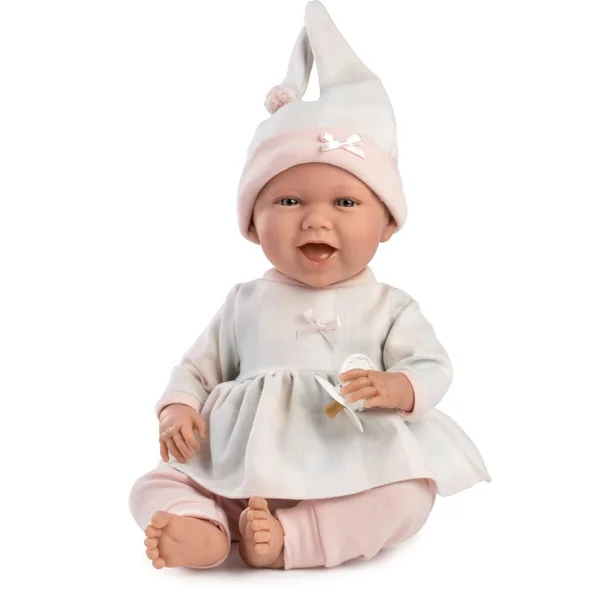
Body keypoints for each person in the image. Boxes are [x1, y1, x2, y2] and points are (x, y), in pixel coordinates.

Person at [129, 0, 491, 571]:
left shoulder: (388, 306)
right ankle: (205, 523)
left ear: (387, 223)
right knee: (152, 484)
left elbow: (431, 365)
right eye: (289, 201)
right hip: (239, 463)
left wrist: (396, 386)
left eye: (345, 203)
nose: (316, 220)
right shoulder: (244, 302)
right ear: (253, 223)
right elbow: (197, 369)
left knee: (411, 494)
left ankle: (292, 538)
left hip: (348, 460)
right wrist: (178, 411)